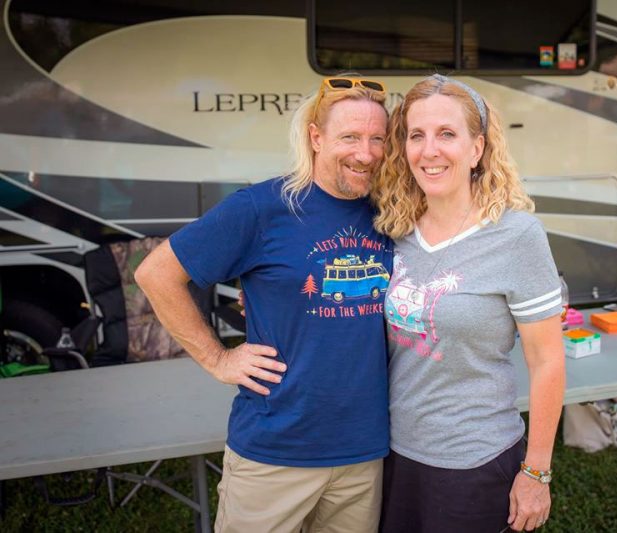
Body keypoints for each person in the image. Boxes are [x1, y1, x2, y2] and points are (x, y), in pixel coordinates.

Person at [135, 76, 393, 533]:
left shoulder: (390, 211)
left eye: (378, 139)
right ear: (316, 137)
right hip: (275, 451)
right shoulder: (262, 207)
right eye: (350, 137)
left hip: (364, 453)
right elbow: (156, 273)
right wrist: (217, 358)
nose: (366, 153)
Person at [372, 74, 566, 533]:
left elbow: (547, 362)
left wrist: (537, 472)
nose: (429, 150)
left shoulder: (516, 235)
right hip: (393, 453)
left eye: (446, 134)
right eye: (416, 135)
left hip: (474, 461)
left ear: (477, 148)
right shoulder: (394, 229)